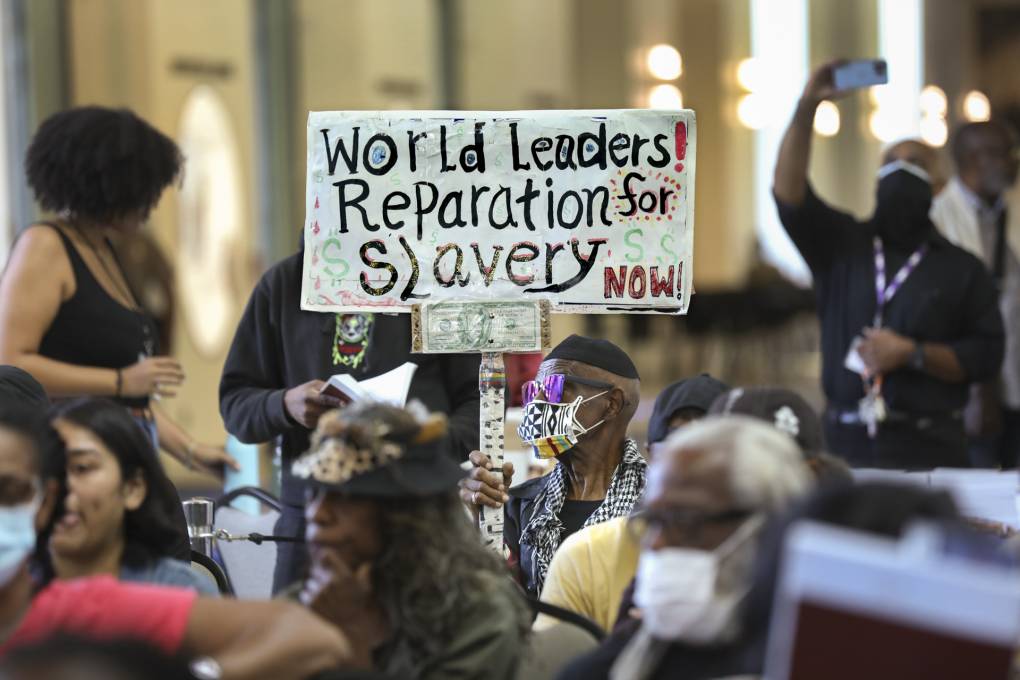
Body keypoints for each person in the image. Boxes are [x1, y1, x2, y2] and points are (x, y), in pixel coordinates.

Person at [0, 401, 352, 678]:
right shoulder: (30, 591)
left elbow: (310, 639)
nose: (66, 491)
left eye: (82, 468)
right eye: (52, 475)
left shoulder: (129, 597)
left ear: (134, 488)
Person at [773, 61, 1005, 469]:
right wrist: (808, 106)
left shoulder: (962, 268)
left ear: (939, 185)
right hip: (845, 443)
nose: (902, 170)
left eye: (915, 164)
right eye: (891, 163)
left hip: (932, 445)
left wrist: (913, 353)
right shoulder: (842, 246)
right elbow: (789, 195)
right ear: (877, 180)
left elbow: (985, 355)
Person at [219, 246, 480, 593]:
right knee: (306, 640)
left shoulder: (438, 281)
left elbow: (479, 402)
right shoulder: (283, 284)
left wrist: (420, 445)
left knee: (428, 637)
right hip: (316, 518)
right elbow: (235, 405)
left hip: (416, 514)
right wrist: (284, 404)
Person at [0, 106, 236, 475]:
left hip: (123, 449)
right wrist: (121, 380)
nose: (151, 205)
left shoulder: (104, 251)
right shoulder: (45, 246)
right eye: (146, 192)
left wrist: (190, 450)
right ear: (112, 186)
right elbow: (12, 361)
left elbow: (131, 395)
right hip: (75, 460)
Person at [557, 416, 813, 680]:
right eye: (653, 521)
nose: (655, 543)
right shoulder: (615, 664)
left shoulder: (821, 656)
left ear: (768, 526)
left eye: (683, 519)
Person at [291, 402, 529, 679]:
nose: (317, 514)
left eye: (343, 497)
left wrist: (348, 643)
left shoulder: (479, 616)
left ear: (406, 515)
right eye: (314, 493)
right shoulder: (317, 594)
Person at [535, 373, 729, 633]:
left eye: (714, 456)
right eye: (677, 457)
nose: (694, 476)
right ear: (653, 456)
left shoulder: (769, 555)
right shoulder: (589, 554)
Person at [460, 334, 645, 598]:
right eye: (534, 391)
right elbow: (501, 602)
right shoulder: (519, 506)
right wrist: (485, 523)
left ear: (612, 404)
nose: (537, 404)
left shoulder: (658, 507)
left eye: (556, 388)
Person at [46, 398, 214, 594]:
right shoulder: (16, 592)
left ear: (133, 488)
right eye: (47, 469)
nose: (59, 486)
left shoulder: (180, 591)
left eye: (82, 467)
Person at [931, 121, 1020, 468]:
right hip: (969, 383)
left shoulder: (1014, 209)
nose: (1013, 161)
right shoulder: (937, 216)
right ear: (972, 158)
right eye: (1003, 153)